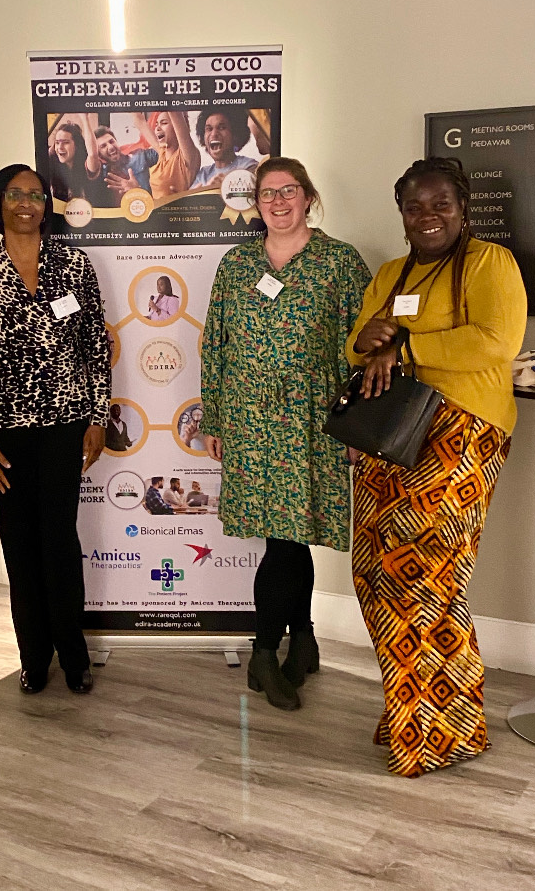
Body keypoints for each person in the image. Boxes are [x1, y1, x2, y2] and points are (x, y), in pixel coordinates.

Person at [348, 156, 527, 777]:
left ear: (463, 208)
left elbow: (497, 340)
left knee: (423, 578)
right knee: (373, 573)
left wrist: (406, 343)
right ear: (401, 215)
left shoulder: (487, 263)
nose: (427, 216)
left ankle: (435, 728)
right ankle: (429, 713)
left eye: (439, 204)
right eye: (414, 206)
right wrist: (376, 339)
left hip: (460, 431)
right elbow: (357, 342)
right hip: (389, 432)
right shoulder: (393, 272)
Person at [201, 157, 370, 710]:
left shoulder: (340, 262)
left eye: (288, 191)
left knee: (293, 535)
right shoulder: (236, 263)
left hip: (312, 421)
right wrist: (216, 418)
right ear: (256, 201)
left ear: (307, 196)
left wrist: (355, 428)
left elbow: (365, 350)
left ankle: (271, 650)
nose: (277, 202)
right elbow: (215, 346)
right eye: (267, 193)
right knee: (285, 537)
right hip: (250, 419)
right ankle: (287, 647)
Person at [0, 165, 111, 696]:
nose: (26, 202)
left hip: (66, 426)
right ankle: (32, 656)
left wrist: (96, 415)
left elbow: (95, 346)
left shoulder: (74, 264)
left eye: (36, 195)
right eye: (15, 193)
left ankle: (74, 655)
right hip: (6, 434)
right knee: (19, 547)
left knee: (60, 542)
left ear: (48, 205)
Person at [191, 108, 258, 190]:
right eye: (209, 129)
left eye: (221, 128)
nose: (214, 134)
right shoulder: (203, 174)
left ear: (235, 135)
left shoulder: (249, 166)